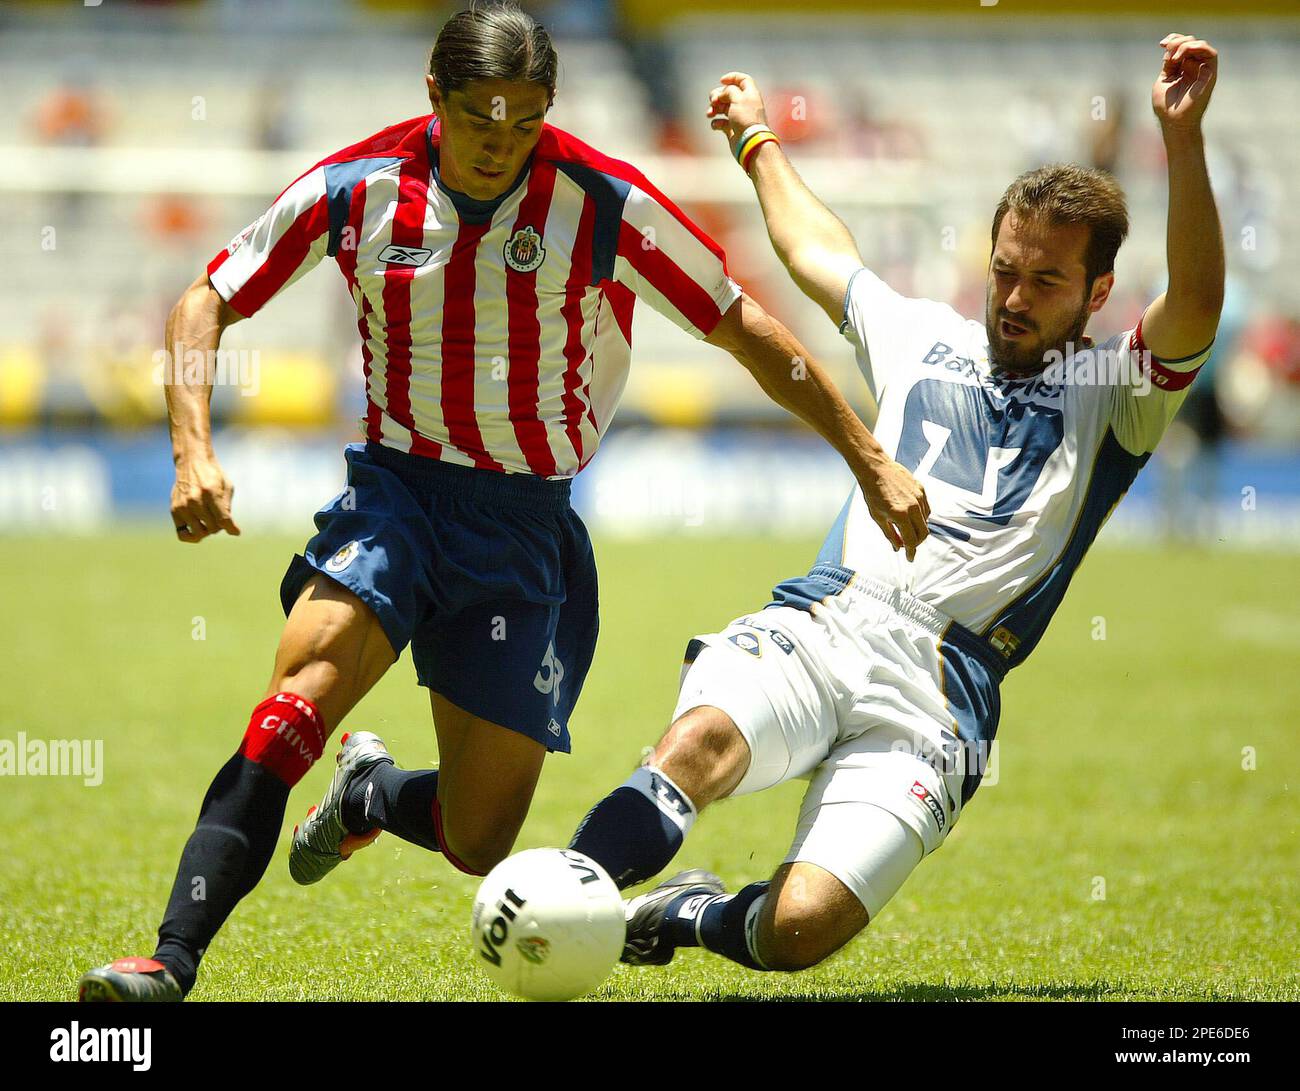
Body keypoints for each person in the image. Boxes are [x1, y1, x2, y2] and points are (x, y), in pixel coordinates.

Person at [77, 2, 926, 1002]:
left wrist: (869, 457)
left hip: (525, 530)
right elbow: (205, 296)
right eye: (482, 121)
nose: (502, 146)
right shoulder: (353, 189)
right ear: (432, 97)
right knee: (292, 704)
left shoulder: (604, 203)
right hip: (396, 499)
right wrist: (192, 451)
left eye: (525, 122)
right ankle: (167, 960)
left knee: (480, 841)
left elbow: (744, 329)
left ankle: (372, 792)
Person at [564, 33, 1223, 974]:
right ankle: (565, 895)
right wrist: (757, 142)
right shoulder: (921, 334)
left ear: (1098, 291)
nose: (1014, 297)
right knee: (698, 742)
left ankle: (687, 915)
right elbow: (817, 253)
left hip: (941, 697)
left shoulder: (1120, 395)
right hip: (831, 620)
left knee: (795, 933)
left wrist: (1182, 140)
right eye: (1005, 268)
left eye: (1046, 282)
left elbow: (1196, 298)